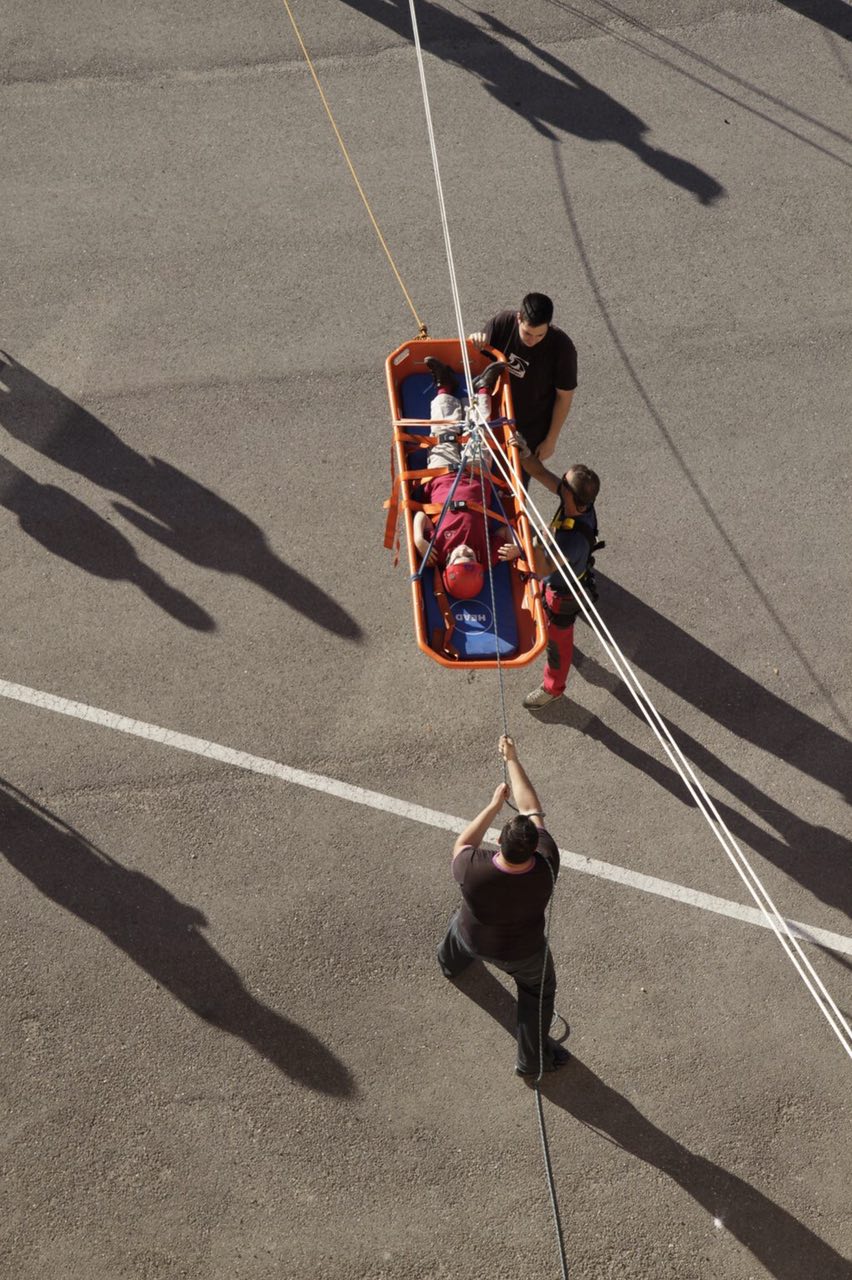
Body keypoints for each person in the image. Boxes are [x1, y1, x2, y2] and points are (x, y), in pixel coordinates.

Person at [437, 735, 570, 1077]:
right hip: (522, 954)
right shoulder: (547, 863)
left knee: (459, 929)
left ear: (499, 842)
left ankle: (450, 964)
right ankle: (530, 1061)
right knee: (538, 993)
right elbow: (532, 808)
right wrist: (513, 759)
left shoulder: (471, 866)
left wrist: (495, 805)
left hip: (472, 936)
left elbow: (464, 841)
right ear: (531, 848)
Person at [412, 357, 519, 600]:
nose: (466, 551)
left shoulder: (436, 550)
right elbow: (505, 531)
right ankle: (482, 388)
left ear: (448, 562)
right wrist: (515, 547)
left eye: (460, 556)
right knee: (479, 432)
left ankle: (444, 386)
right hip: (476, 474)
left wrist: (419, 539)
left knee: (443, 432)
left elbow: (419, 516)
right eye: (470, 557)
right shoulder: (486, 555)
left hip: (442, 475)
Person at [511, 443, 601, 709]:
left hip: (564, 594)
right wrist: (525, 454)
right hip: (553, 580)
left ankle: (553, 688)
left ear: (574, 498)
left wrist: (532, 539)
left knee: (557, 647)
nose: (559, 484)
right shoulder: (577, 501)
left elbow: (542, 568)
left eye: (564, 484)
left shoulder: (572, 541)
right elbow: (541, 474)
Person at [468, 293, 577, 461]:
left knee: (516, 475)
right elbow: (475, 360)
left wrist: (551, 440)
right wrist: (475, 340)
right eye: (527, 333)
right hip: (491, 413)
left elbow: (564, 397)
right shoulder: (503, 323)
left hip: (527, 429)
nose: (532, 340)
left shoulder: (562, 348)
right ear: (519, 318)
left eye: (540, 335)